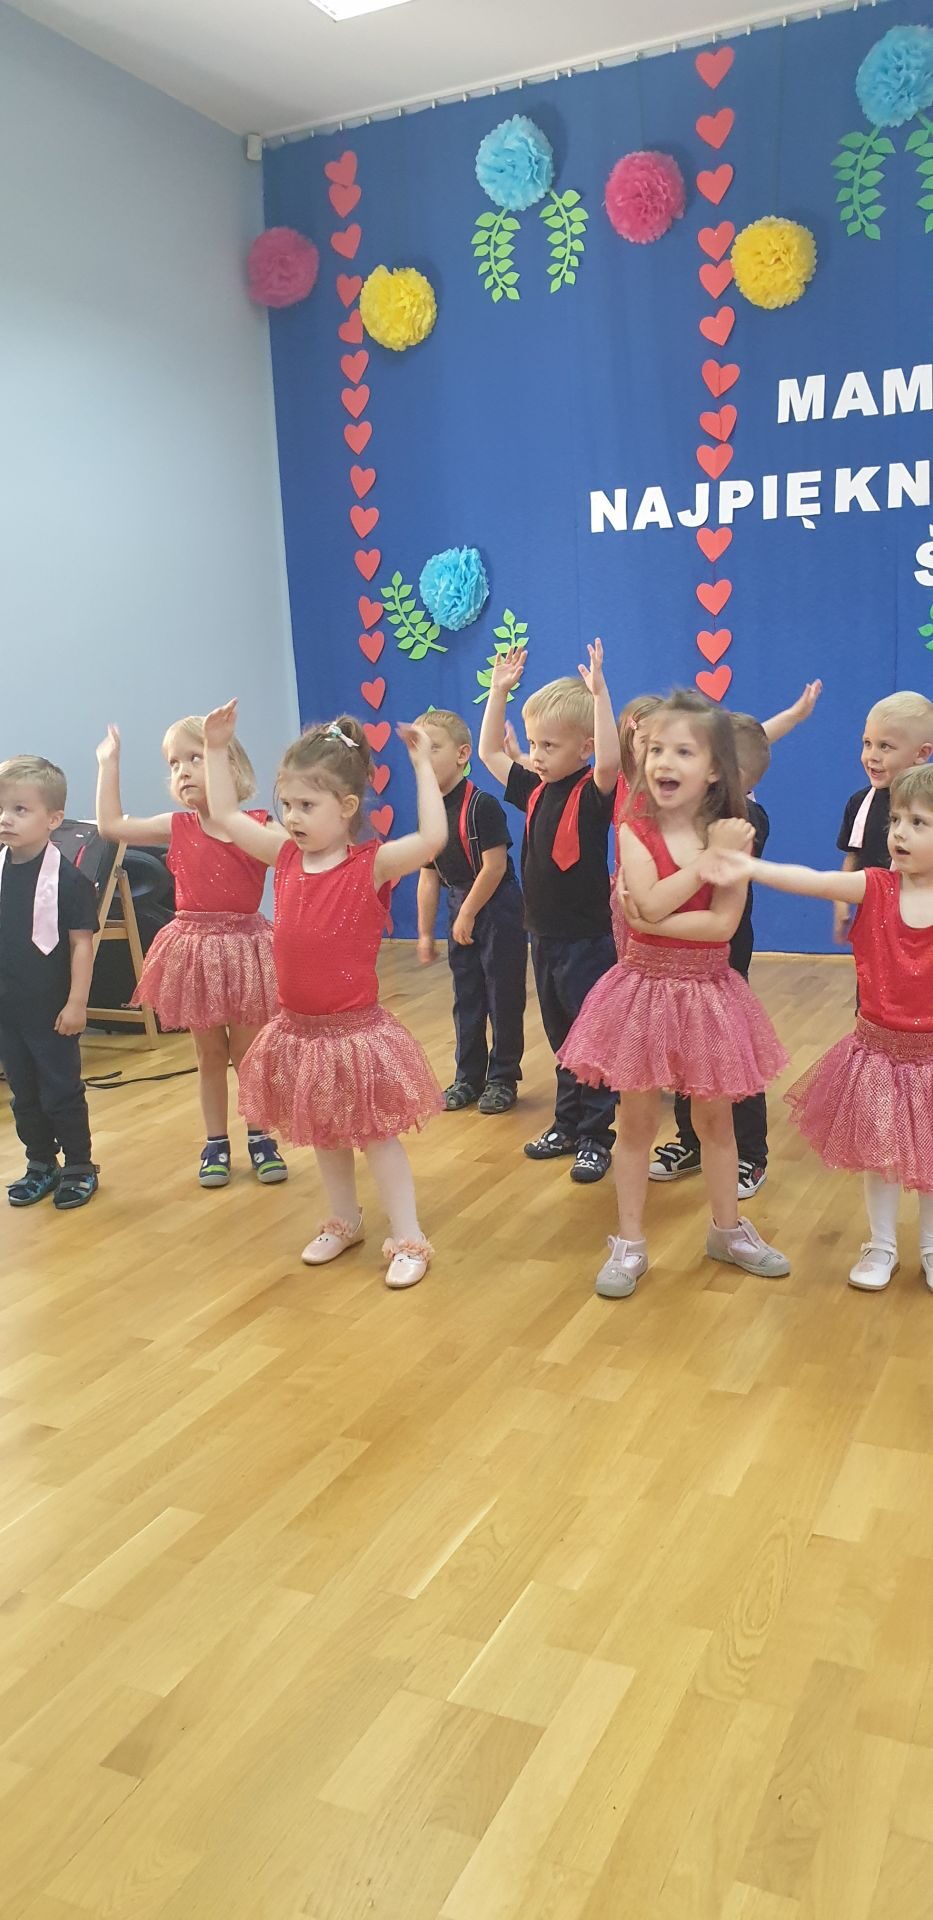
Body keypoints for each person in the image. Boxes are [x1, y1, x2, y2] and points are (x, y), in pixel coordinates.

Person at [203, 702, 446, 1290]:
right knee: (323, 1133)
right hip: (300, 1031)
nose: (292, 817)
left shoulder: (371, 866)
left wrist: (422, 766)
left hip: (354, 1032)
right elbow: (227, 815)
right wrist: (214, 748)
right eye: (287, 805)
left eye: (306, 806)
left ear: (347, 807)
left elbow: (432, 839)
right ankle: (344, 1219)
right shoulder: (285, 857)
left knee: (375, 1137)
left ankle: (409, 1235)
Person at [559, 690, 790, 1298]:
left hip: (709, 990)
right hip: (642, 991)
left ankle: (727, 1231)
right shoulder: (634, 829)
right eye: (657, 748)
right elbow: (649, 902)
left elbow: (720, 926)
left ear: (714, 769)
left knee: (716, 1121)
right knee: (636, 1121)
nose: (664, 760)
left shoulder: (735, 834)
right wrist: (703, 867)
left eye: (683, 751)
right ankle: (630, 1242)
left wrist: (655, 914)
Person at [704, 762, 933, 1292]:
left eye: (919, 823)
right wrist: (750, 867)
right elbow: (813, 880)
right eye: (896, 821)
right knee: (880, 1155)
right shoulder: (874, 887)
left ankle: (929, 1244)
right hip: (880, 1052)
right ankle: (881, 1244)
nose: (899, 833)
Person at [96, 717, 285, 1190]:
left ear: (228, 764)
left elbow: (300, 858)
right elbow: (111, 827)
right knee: (209, 1053)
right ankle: (216, 1141)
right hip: (196, 952)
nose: (181, 770)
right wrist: (108, 764)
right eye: (174, 763)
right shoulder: (177, 826)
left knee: (247, 1052)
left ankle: (260, 1136)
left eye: (194, 758)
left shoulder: (259, 827)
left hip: (244, 950)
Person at [649, 683, 823, 1196]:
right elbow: (751, 740)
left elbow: (747, 753)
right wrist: (792, 715)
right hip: (679, 957)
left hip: (719, 957)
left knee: (728, 1057)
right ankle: (692, 1139)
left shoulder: (745, 820)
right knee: (685, 1053)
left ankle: (749, 1154)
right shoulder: (700, 801)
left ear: (725, 773)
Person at [478, 639, 622, 1183]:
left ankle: (596, 1136)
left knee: (592, 1039)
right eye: (534, 743)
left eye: (549, 746)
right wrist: (498, 693)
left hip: (587, 940)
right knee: (563, 1039)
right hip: (544, 937)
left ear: (584, 748)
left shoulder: (593, 791)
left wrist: (600, 695)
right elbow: (490, 753)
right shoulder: (536, 789)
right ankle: (566, 1125)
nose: (535, 755)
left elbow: (610, 760)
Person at [0, 756, 99, 1209]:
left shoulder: (70, 881)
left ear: (53, 819)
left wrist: (77, 1003)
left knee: (60, 1090)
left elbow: (81, 945)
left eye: (20, 809)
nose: (6, 818)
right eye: (2, 809)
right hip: (8, 1009)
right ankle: (40, 1161)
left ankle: (79, 1164)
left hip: (52, 1008)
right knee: (23, 1093)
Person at [415, 708, 526, 1113]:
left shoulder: (483, 806)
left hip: (497, 907)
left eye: (434, 748)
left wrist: (468, 913)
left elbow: (494, 867)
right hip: (460, 904)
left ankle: (503, 1077)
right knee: (467, 996)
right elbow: (428, 877)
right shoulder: (429, 811)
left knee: (503, 996)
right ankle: (468, 1076)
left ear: (462, 754)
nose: (424, 759)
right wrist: (425, 932)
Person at [835, 691, 933, 944]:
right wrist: (841, 902)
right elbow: (853, 855)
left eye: (885, 747)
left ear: (922, 753)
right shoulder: (859, 803)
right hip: (873, 923)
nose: (872, 756)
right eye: (867, 743)